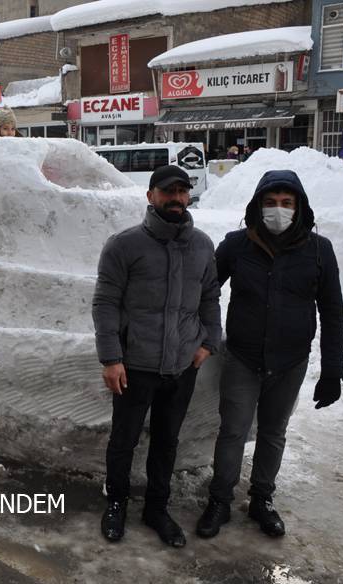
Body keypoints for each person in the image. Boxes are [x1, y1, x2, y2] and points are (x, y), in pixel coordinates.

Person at [196, 170, 343, 540]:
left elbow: (332, 309)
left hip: (290, 361)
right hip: (243, 358)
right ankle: (219, 500)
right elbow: (206, 291)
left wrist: (332, 367)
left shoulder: (319, 250)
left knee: (273, 432)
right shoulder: (236, 245)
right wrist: (205, 335)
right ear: (258, 205)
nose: (278, 210)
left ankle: (262, 499)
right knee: (232, 430)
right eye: (271, 202)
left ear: (299, 208)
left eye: (286, 203)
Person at [93, 165, 222, 547]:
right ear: (150, 196)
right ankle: (115, 503)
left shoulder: (201, 245)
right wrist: (111, 358)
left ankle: (156, 508)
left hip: (182, 365)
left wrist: (207, 343)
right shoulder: (124, 245)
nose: (177, 198)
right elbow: (105, 303)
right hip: (135, 365)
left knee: (167, 440)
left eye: (183, 191)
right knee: (124, 440)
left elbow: (210, 296)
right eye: (168, 192)